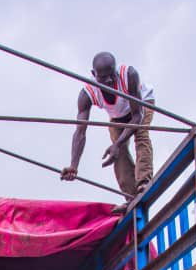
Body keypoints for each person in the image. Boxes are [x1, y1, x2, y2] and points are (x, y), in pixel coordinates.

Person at [61, 53, 155, 211]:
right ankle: (131, 196)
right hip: (117, 116)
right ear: (94, 75)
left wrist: (118, 143)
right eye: (104, 78)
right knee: (117, 152)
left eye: (112, 75)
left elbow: (137, 116)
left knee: (140, 135)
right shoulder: (88, 93)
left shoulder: (129, 75)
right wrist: (73, 165)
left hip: (141, 105)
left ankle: (144, 182)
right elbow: (80, 132)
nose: (110, 81)